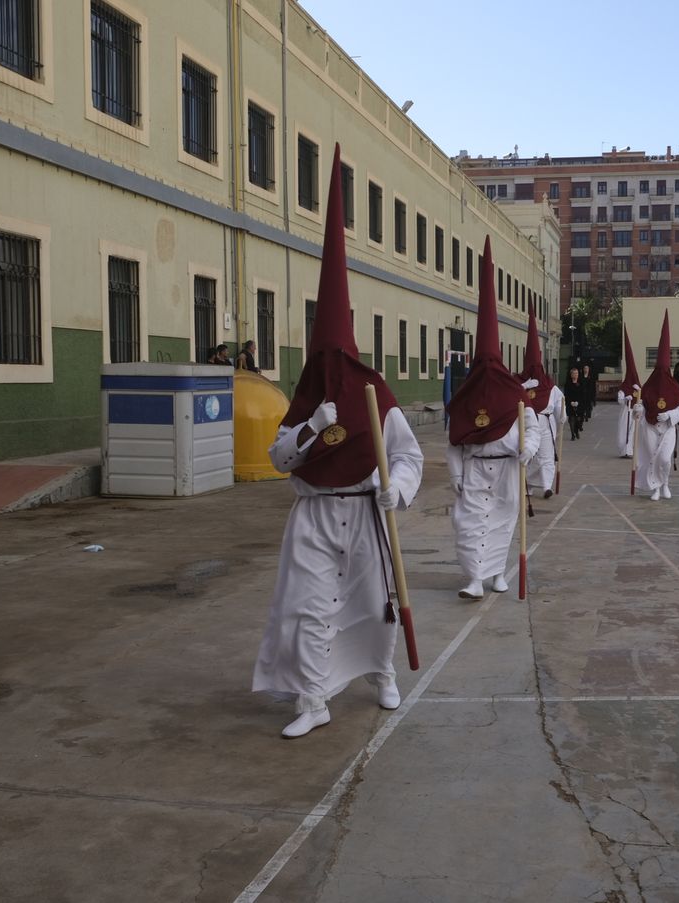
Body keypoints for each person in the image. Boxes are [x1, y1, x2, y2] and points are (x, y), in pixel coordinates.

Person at [253, 146, 422, 739]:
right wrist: (307, 425)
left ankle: (382, 675)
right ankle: (311, 698)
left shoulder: (375, 391)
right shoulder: (304, 399)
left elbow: (407, 454)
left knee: (374, 600)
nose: (330, 364)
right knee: (306, 609)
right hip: (314, 515)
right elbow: (280, 460)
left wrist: (396, 490)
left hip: (367, 513)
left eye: (336, 354)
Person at [445, 236, 540, 600]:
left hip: (507, 468)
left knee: (502, 521)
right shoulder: (465, 397)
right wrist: (455, 473)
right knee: (468, 524)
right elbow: (454, 441)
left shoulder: (514, 394)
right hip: (473, 469)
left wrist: (527, 449)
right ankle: (473, 578)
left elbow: (532, 428)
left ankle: (497, 571)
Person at [636, 313, 679, 501]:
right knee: (652, 457)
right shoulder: (649, 385)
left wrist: (670, 415)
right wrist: (638, 410)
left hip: (667, 428)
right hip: (650, 426)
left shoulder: (675, 387)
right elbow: (641, 405)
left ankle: (665, 483)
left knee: (665, 459)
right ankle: (655, 488)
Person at [517, 308, 564, 500]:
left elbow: (560, 402)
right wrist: (522, 387)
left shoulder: (550, 386)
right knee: (529, 456)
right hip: (526, 425)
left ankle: (546, 486)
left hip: (545, 424)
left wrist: (562, 415)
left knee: (545, 455)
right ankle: (527, 485)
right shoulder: (518, 384)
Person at [615, 330, 643, 457]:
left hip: (635, 412)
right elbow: (619, 400)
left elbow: (643, 399)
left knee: (633, 432)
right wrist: (625, 398)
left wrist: (639, 394)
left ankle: (630, 451)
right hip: (626, 412)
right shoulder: (624, 387)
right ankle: (623, 450)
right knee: (624, 431)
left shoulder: (638, 387)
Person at [563, 366, 586, 440]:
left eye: (577, 373)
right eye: (574, 373)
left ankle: (576, 431)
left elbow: (582, 394)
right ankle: (572, 434)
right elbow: (566, 394)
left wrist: (578, 402)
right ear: (571, 374)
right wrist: (570, 402)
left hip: (579, 403)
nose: (575, 375)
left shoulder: (581, 383)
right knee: (572, 419)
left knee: (579, 419)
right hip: (570, 403)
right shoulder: (568, 384)